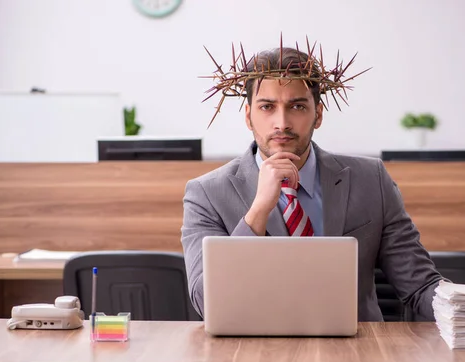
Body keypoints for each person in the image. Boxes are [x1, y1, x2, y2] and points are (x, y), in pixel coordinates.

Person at [181, 42, 444, 321]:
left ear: (317, 114)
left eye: (296, 106)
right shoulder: (206, 193)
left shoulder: (371, 180)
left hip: (357, 353)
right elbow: (206, 302)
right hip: (255, 353)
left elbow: (420, 285)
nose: (281, 123)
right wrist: (257, 212)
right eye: (267, 107)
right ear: (249, 117)